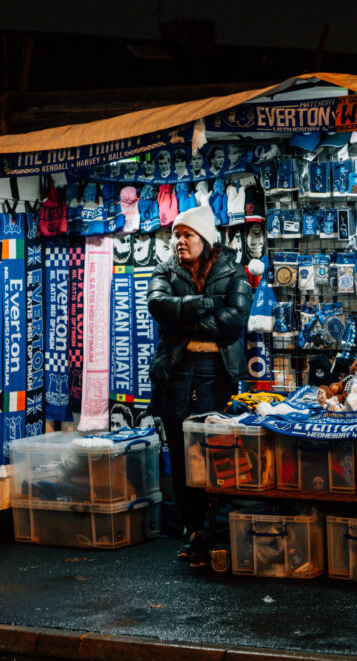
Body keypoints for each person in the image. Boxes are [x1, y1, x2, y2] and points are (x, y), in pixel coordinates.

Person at [147, 205, 252, 568]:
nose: (179, 241)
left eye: (187, 235)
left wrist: (184, 320)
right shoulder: (165, 270)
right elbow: (158, 305)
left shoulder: (232, 272)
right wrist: (207, 305)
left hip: (215, 375)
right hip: (176, 375)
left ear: (205, 239)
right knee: (180, 457)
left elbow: (234, 322)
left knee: (215, 456)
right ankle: (194, 534)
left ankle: (217, 534)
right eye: (176, 235)